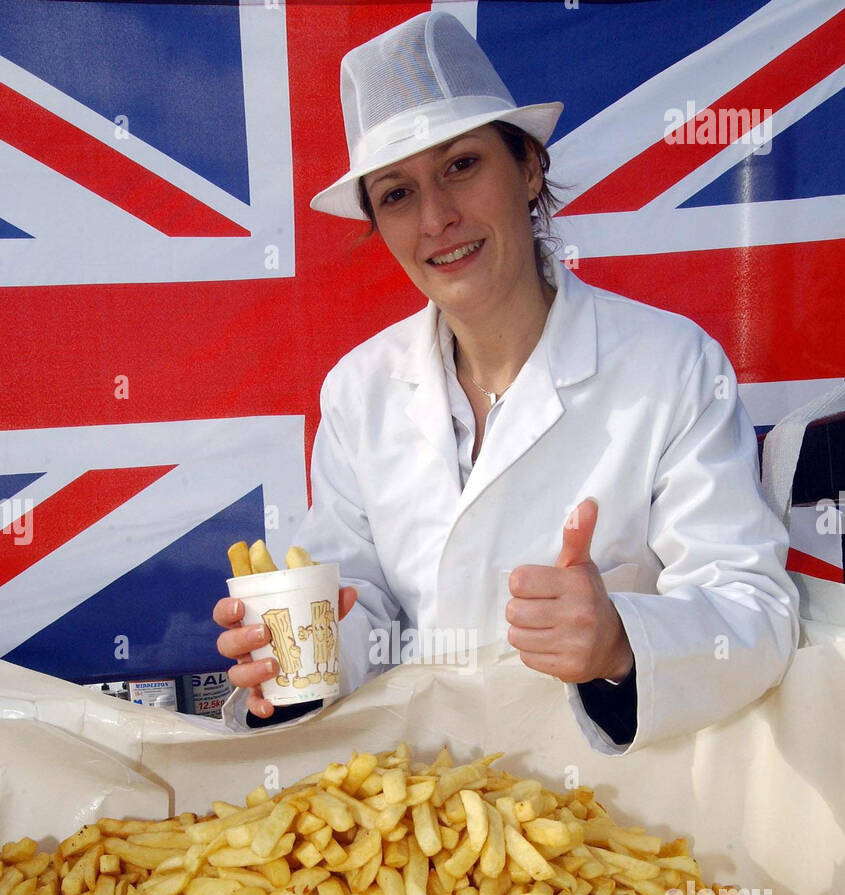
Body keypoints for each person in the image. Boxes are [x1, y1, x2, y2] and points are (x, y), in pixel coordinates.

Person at [215, 11, 798, 754]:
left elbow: (753, 611)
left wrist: (621, 642)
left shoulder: (670, 365)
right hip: (423, 819)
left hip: (613, 814)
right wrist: (294, 654)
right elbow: (368, 609)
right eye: (396, 194)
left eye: (461, 165)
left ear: (528, 168)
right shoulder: (359, 390)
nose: (436, 218)